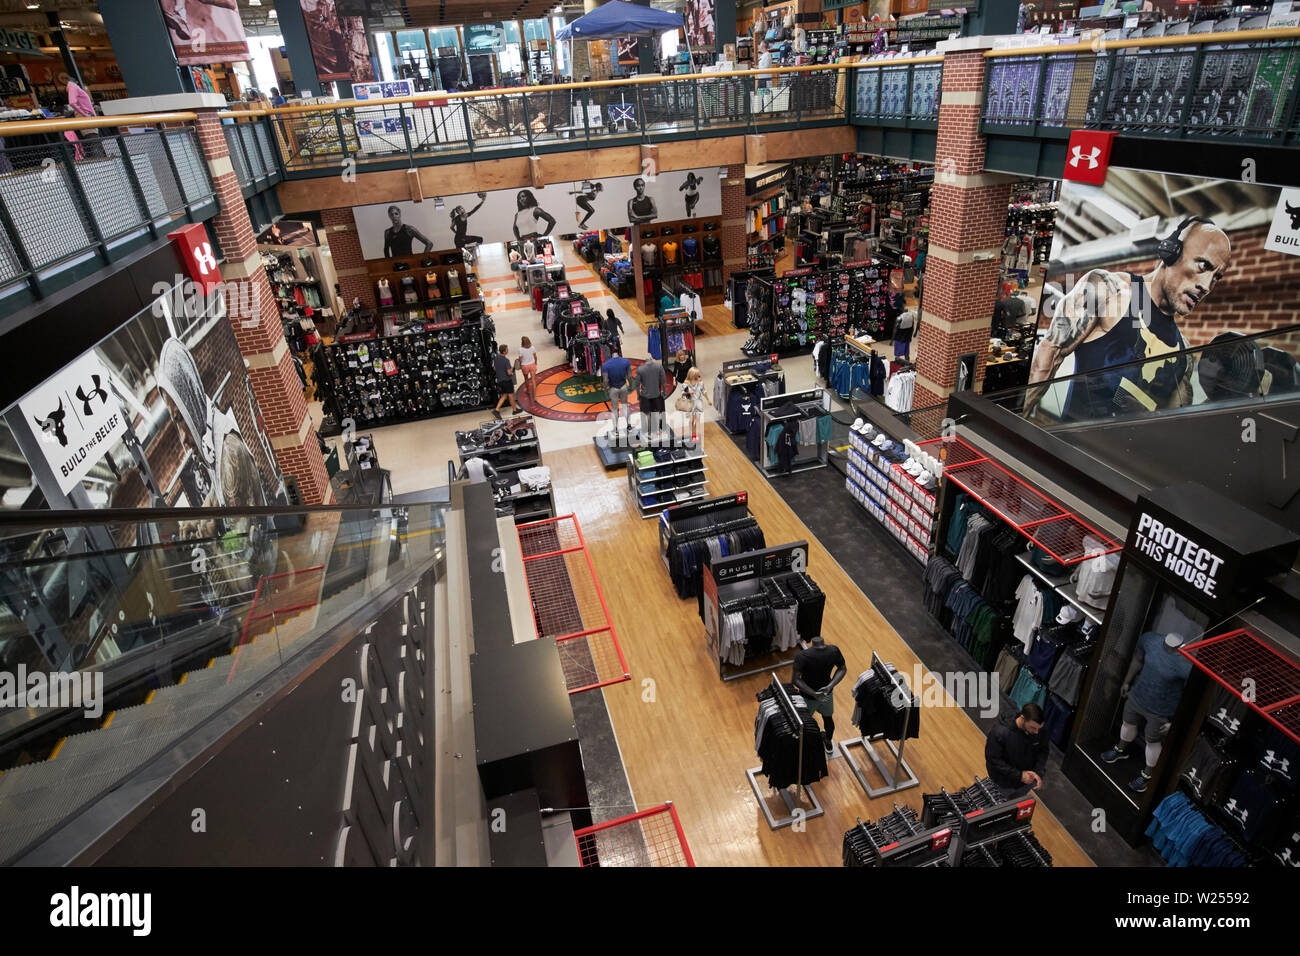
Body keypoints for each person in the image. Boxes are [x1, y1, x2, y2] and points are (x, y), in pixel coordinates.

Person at [1026, 216, 1232, 420]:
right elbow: (1047, 359)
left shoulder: (1183, 355)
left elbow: (1171, 426)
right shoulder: (1109, 289)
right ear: (1172, 252)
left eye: (1216, 277)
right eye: (1203, 265)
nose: (1206, 286)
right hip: (1071, 446)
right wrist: (1016, 423)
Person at [1100, 632, 1193, 793]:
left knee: (1153, 741)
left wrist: (1175, 721)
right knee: (1127, 724)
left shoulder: (1186, 664)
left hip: (1160, 710)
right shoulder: (1150, 640)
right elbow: (1137, 660)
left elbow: (1190, 695)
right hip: (1138, 696)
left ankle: (1147, 775)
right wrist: (1127, 682)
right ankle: (1120, 750)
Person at [792, 636, 847, 753]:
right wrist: (829, 686)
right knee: (828, 718)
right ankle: (828, 742)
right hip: (826, 694)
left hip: (808, 696)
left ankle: (805, 746)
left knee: (804, 723)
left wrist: (813, 693)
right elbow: (842, 668)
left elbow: (796, 680)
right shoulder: (834, 650)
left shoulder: (802, 656)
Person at [985, 702, 1049, 799]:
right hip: (1003, 782)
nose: (1036, 732)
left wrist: (1038, 772)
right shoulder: (1000, 732)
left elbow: (1043, 751)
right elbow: (993, 759)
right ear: (1022, 718)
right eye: (1033, 728)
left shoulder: (1039, 729)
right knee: (996, 806)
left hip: (1027, 782)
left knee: (1013, 804)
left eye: (1039, 728)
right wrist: (1020, 775)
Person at [634, 356, 668, 441]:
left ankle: (649, 433)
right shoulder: (659, 366)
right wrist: (664, 392)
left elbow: (637, 384)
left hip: (645, 396)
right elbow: (664, 380)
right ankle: (661, 430)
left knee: (648, 414)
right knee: (659, 412)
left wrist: (638, 395)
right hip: (657, 394)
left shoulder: (640, 369)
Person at [602, 349, 633, 428]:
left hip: (613, 388)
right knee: (625, 406)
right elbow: (629, 376)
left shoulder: (606, 364)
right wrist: (631, 386)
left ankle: (615, 428)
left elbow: (605, 380)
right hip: (623, 386)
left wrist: (606, 390)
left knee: (614, 409)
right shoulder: (625, 361)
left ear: (611, 355)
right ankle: (629, 425)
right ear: (618, 353)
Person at [681, 366, 712, 442]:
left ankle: (694, 434)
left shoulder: (700, 381)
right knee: (692, 420)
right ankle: (691, 433)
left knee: (697, 420)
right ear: (692, 374)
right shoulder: (686, 382)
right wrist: (688, 392)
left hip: (698, 402)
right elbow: (683, 393)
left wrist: (708, 400)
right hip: (690, 402)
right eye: (696, 374)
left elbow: (703, 391)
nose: (698, 376)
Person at [492, 343, 518, 419]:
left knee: (505, 395)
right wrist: (512, 370)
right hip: (507, 380)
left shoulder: (496, 358)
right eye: (507, 349)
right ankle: (514, 410)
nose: (508, 350)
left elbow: (494, 368)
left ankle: (496, 410)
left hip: (500, 380)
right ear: (504, 352)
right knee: (511, 395)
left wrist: (501, 370)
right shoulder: (506, 360)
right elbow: (509, 372)